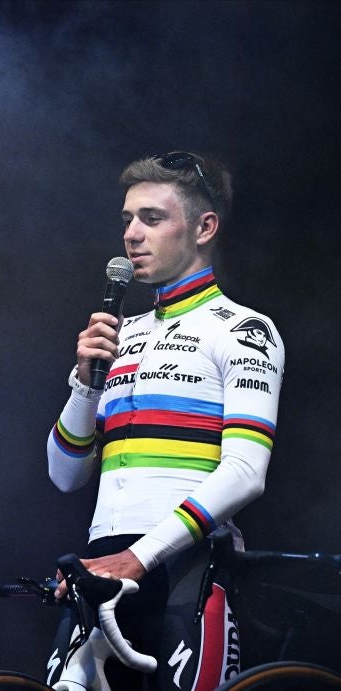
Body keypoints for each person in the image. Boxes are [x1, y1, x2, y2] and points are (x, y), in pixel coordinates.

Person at [45, 151, 285, 690]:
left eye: (152, 218)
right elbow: (64, 475)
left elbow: (246, 471)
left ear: (204, 228)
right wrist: (86, 382)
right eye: (127, 219)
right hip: (106, 560)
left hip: (187, 566)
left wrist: (140, 557)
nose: (131, 235)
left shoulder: (243, 329)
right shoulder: (118, 334)